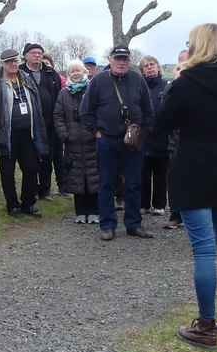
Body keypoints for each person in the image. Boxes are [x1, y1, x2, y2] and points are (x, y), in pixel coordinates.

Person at [157, 23, 217, 349]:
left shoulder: (185, 83)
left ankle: (206, 326)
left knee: (203, 249)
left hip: (192, 168)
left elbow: (163, 123)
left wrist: (174, 87)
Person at [80, 44, 155, 241]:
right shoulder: (98, 81)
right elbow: (85, 111)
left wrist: (143, 133)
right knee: (106, 183)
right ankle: (107, 225)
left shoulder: (138, 80)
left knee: (134, 183)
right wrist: (97, 133)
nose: (121, 62)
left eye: (125, 59)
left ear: (129, 61)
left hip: (133, 143)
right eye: (117, 59)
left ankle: (134, 224)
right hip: (107, 140)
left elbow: (148, 110)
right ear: (110, 59)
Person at [0, 48, 48, 217]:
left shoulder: (26, 79)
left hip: (28, 134)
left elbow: (36, 103)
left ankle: (28, 204)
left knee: (31, 168)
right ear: (2, 64)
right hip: (7, 136)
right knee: (7, 173)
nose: (12, 64)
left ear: (19, 61)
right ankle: (13, 206)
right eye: (8, 61)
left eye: (15, 60)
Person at [54, 59, 100, 224]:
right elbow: (58, 116)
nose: (75, 73)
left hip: (92, 141)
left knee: (94, 176)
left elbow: (99, 111)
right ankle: (80, 212)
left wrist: (97, 131)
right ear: (68, 74)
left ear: (84, 72)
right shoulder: (64, 93)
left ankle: (94, 211)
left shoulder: (92, 89)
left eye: (78, 70)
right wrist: (65, 135)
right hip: (73, 143)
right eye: (72, 71)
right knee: (76, 177)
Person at [20, 43, 65, 200]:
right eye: (33, 52)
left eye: (39, 53)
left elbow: (59, 96)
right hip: (28, 123)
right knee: (30, 158)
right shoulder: (19, 72)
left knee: (47, 157)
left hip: (49, 123)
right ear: (26, 55)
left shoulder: (51, 73)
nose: (37, 55)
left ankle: (45, 189)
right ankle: (32, 188)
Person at [139, 55, 171, 220]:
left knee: (161, 173)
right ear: (142, 71)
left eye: (152, 64)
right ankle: (143, 204)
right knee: (143, 173)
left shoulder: (166, 86)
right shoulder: (140, 86)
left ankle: (159, 205)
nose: (150, 67)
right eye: (146, 66)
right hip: (144, 137)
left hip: (162, 136)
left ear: (158, 67)